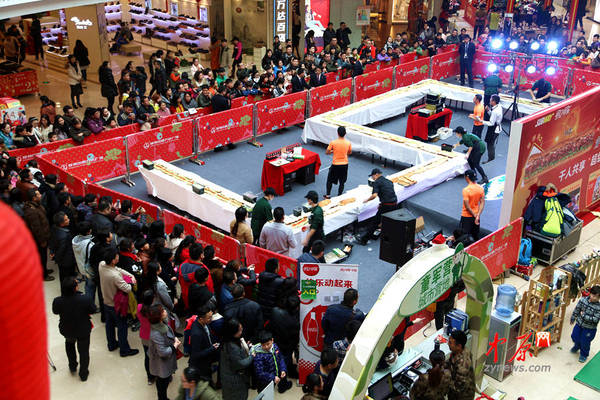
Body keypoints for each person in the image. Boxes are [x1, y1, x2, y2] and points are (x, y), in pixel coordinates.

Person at [52, 276, 95, 381]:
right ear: (75, 288)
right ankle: (83, 373)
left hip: (67, 329)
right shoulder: (85, 299)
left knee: (69, 345)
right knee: (84, 351)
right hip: (83, 329)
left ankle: (72, 366)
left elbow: (55, 311)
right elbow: (93, 310)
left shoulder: (57, 301)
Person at [99, 247, 139, 357]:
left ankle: (111, 344)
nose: (118, 257)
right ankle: (124, 350)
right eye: (117, 257)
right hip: (116, 305)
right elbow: (127, 288)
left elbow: (118, 269)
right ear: (113, 260)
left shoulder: (102, 265)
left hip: (106, 301)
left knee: (109, 325)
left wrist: (129, 275)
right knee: (122, 327)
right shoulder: (114, 276)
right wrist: (131, 281)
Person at [148, 304, 180, 400]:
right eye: (162, 311)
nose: (165, 311)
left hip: (166, 360)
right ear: (158, 316)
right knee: (162, 383)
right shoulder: (156, 333)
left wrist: (174, 338)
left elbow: (169, 334)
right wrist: (174, 346)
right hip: (161, 362)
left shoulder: (162, 323)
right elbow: (162, 352)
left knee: (164, 381)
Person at [22, 188, 54, 281]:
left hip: (43, 236)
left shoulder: (37, 206)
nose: (40, 196)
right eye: (38, 195)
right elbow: (37, 229)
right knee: (41, 257)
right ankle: (43, 274)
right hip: (39, 239)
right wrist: (42, 241)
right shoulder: (31, 211)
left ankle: (45, 269)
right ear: (34, 198)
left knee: (43, 256)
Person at [360, 168, 398, 245]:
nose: (372, 178)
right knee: (389, 221)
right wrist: (381, 204)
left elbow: (374, 195)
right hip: (394, 204)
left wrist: (367, 200)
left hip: (386, 205)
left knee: (375, 222)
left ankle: (364, 239)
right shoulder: (388, 181)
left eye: (372, 176)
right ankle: (387, 237)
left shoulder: (377, 182)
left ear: (376, 174)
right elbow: (388, 193)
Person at [270, 296, 300, 378]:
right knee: (286, 358)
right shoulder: (294, 321)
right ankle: (284, 374)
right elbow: (295, 334)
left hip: (277, 339)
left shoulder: (275, 311)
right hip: (288, 343)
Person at [188, 305, 220, 381]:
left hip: (208, 358)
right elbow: (196, 354)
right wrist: (212, 348)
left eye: (211, 316)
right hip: (201, 364)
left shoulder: (205, 323)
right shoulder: (196, 333)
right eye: (209, 317)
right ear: (201, 319)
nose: (211, 319)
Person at [570, 285, 600, 363]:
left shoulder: (598, 307)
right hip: (579, 324)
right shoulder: (583, 300)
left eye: (597, 297)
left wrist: (583, 315)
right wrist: (573, 317)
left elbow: (595, 319)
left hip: (589, 329)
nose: (595, 298)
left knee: (585, 342)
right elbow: (577, 309)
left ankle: (584, 354)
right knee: (574, 336)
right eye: (593, 295)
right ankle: (577, 345)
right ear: (590, 293)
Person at [49, 211, 78, 283]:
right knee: (67, 278)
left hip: (62, 261)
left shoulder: (54, 228)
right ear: (61, 223)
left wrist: (52, 252)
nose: (69, 220)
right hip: (67, 261)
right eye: (66, 219)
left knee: (63, 276)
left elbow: (52, 242)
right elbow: (61, 250)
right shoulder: (64, 236)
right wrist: (56, 258)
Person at [447, 330, 476, 400]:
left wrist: (444, 379)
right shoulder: (459, 350)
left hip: (462, 396)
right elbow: (450, 362)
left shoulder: (463, 365)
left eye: (450, 342)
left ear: (459, 346)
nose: (448, 344)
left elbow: (458, 387)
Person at [474, 94, 502, 163]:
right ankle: (491, 157)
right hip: (496, 127)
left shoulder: (495, 111)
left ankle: (491, 158)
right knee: (490, 143)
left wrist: (481, 121)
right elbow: (493, 117)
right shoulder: (499, 106)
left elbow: (491, 123)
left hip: (494, 129)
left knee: (490, 143)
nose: (489, 101)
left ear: (494, 101)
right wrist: (489, 111)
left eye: (491, 100)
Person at [325, 126, 352, 198]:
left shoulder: (333, 142)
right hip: (344, 164)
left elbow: (327, 152)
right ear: (345, 133)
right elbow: (349, 152)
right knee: (342, 182)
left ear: (337, 133)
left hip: (335, 164)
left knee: (329, 180)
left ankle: (328, 195)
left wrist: (333, 151)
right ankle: (339, 195)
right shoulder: (348, 143)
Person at [458, 169, 485, 240]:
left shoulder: (466, 190)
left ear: (467, 177)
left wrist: (474, 215)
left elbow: (467, 206)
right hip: (476, 216)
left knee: (463, 237)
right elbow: (482, 202)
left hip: (466, 217)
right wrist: (477, 215)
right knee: (475, 235)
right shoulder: (481, 188)